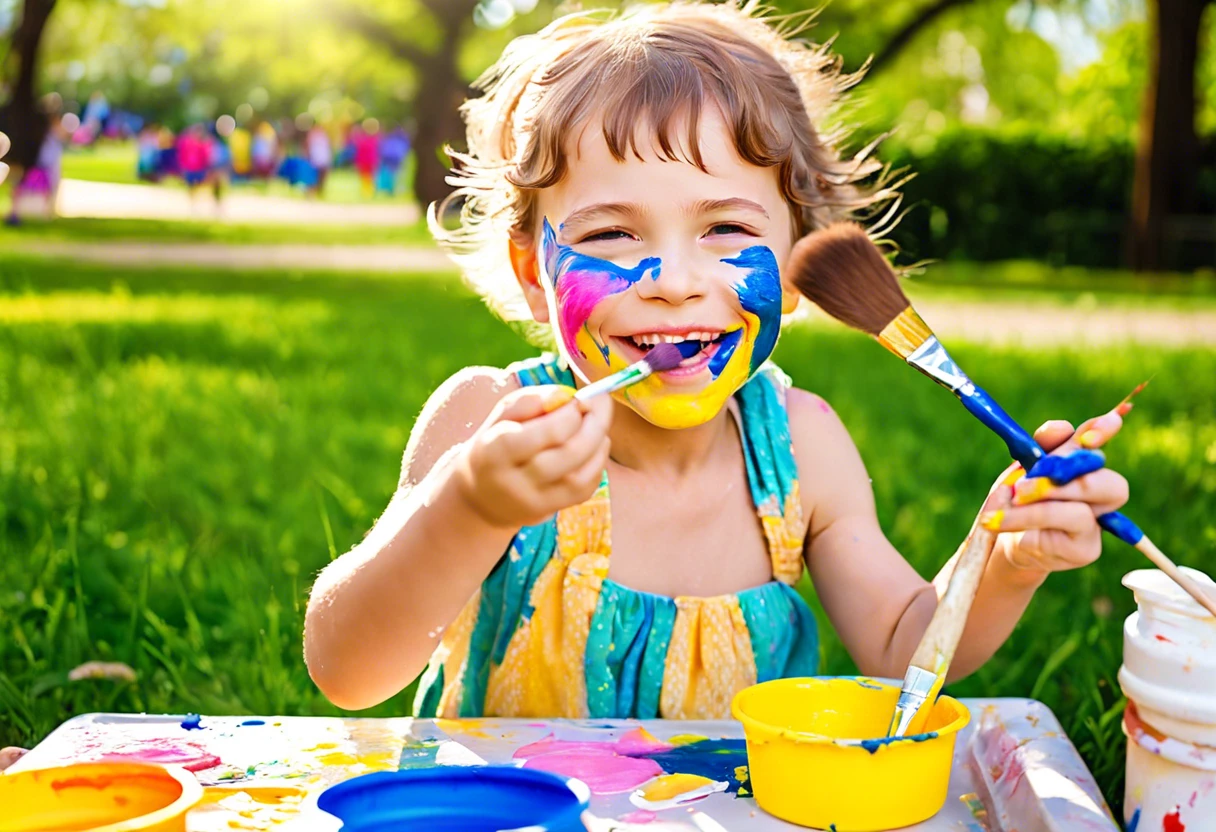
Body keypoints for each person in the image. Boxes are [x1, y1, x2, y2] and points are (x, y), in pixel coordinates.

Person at [303, 2, 1130, 719]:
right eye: (609, 234)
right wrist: (469, 506)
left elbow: (903, 643)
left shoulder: (801, 450)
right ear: (532, 272)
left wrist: (1006, 558)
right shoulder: (488, 426)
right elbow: (347, 673)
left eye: (726, 230)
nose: (672, 282)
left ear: (800, 263)